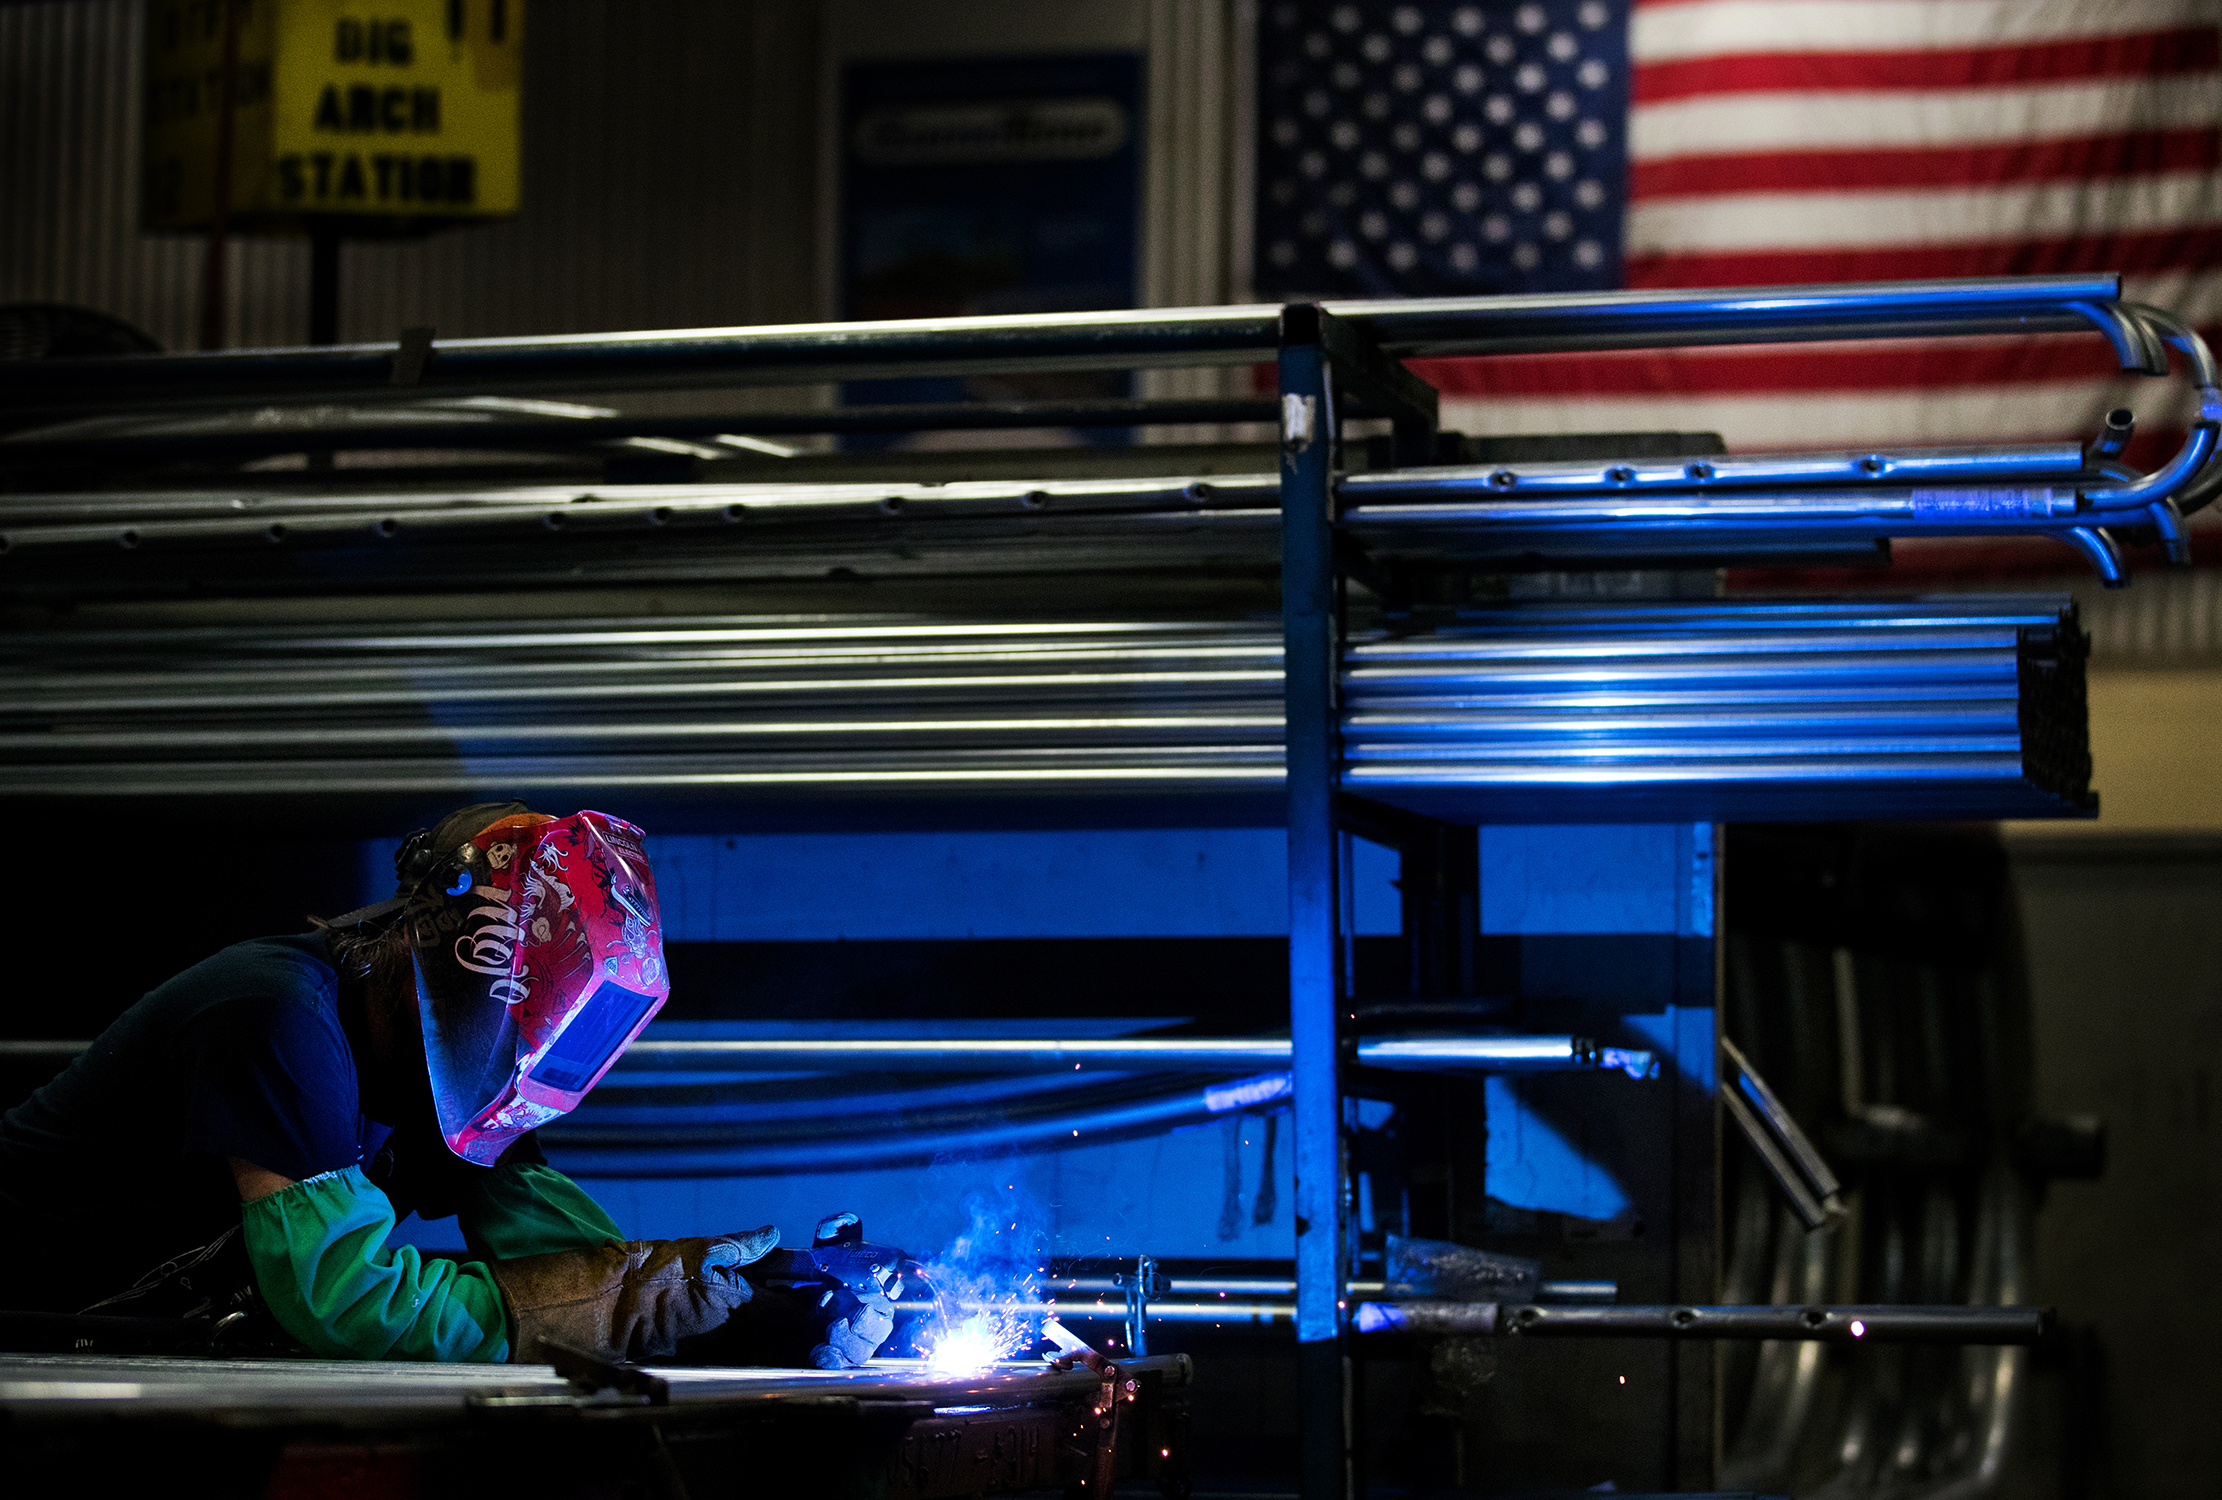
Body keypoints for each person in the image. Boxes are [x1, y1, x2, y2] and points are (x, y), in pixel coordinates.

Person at [0, 802, 896, 1367]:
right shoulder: (275, 1016)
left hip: (126, 1342)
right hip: (32, 1309)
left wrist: (739, 1309)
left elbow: (577, 1270)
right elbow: (343, 1298)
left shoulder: (463, 1078)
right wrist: (630, 1307)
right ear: (445, 963)